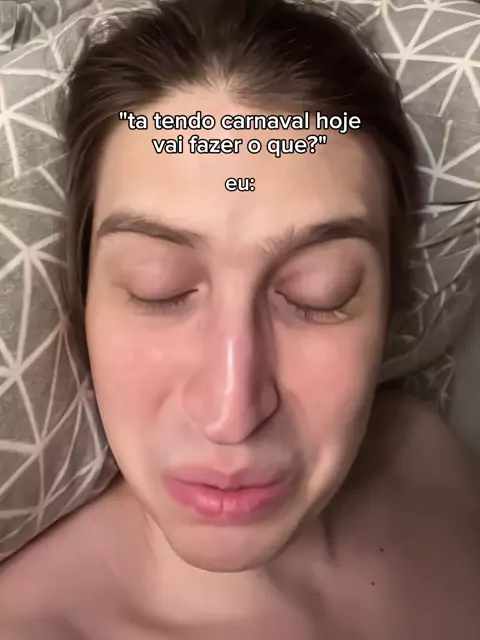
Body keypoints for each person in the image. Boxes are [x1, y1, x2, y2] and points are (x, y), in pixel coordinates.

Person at [0, 0, 479, 637]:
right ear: (82, 300)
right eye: (159, 288)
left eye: (320, 293)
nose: (232, 413)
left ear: (390, 307)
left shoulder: (425, 455)